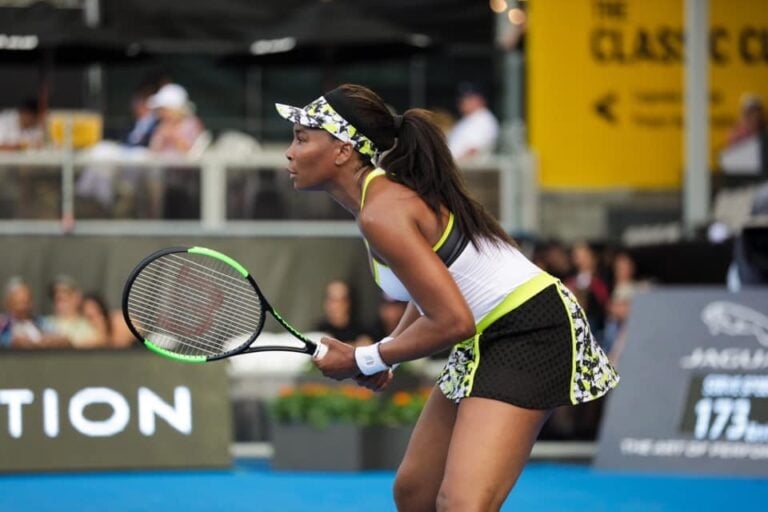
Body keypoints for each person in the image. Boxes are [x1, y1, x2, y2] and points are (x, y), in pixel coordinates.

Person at [274, 83, 619, 510]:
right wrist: (387, 353)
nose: (289, 152)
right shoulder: (377, 203)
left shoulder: (383, 212)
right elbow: (426, 293)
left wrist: (366, 358)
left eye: (301, 138)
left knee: (462, 504)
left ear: (343, 150)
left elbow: (453, 320)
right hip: (484, 337)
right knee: (415, 492)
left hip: (532, 331)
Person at [0, 277, 70, 349]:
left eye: (26, 301)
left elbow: (64, 339)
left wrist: (49, 341)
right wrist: (11, 341)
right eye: (19, 302)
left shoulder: (41, 322)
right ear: (8, 303)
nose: (24, 307)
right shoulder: (3, 324)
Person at [446, 82, 500, 162]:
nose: (463, 102)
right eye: (462, 99)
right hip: (455, 164)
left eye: (469, 99)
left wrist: (448, 163)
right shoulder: (469, 118)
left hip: (469, 167)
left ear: (480, 100)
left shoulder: (483, 119)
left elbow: (472, 151)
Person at [313, 279, 370, 346]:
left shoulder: (362, 332)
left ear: (348, 303)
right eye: (330, 299)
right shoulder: (318, 331)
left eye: (338, 300)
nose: (334, 305)